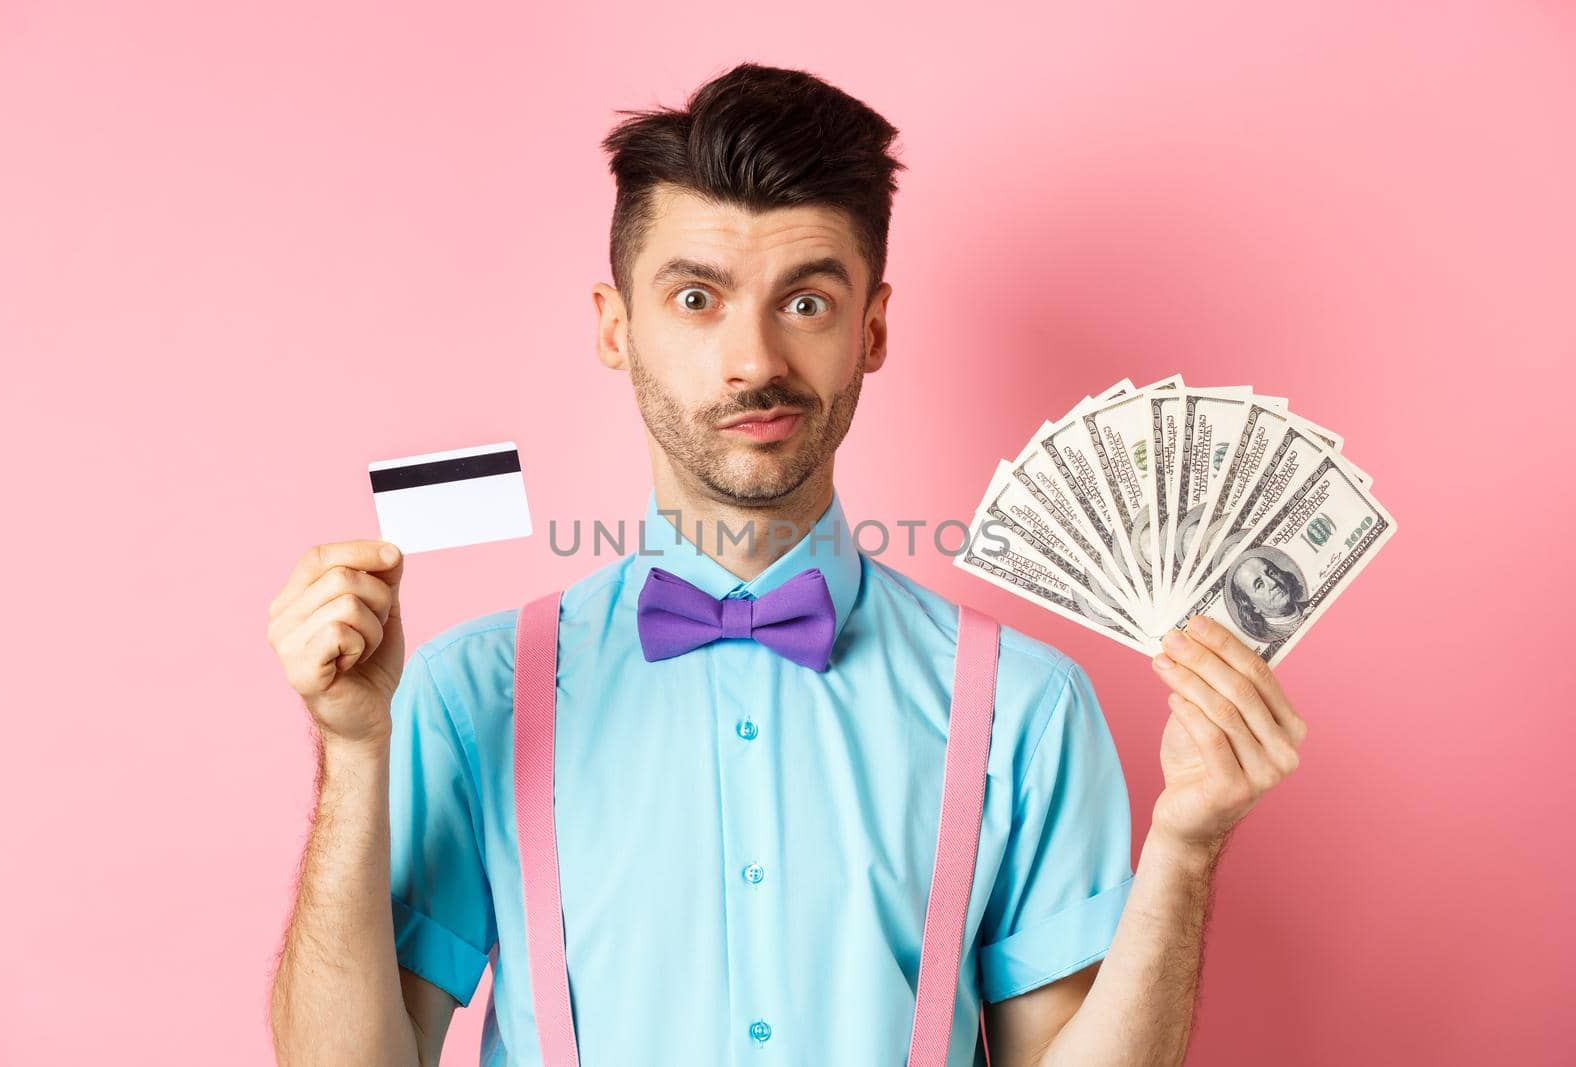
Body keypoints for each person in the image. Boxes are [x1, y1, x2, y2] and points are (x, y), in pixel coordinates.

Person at [265, 62, 1308, 1067]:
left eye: (804, 301)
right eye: (695, 299)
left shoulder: (1026, 707)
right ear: (614, 327)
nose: (755, 360)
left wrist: (1184, 847)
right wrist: (353, 755)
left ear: (874, 328)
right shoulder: (468, 691)